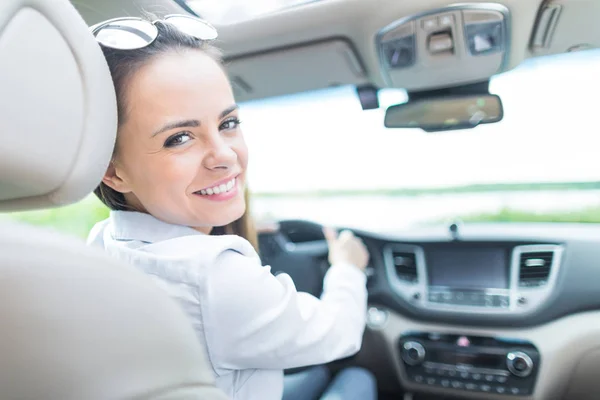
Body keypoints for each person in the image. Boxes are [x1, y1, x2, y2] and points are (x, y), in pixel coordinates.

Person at [86, 14, 376, 400]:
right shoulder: (217, 276)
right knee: (358, 380)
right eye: (180, 138)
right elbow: (338, 333)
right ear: (112, 171)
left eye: (228, 123)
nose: (224, 156)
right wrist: (346, 268)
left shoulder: (102, 241)